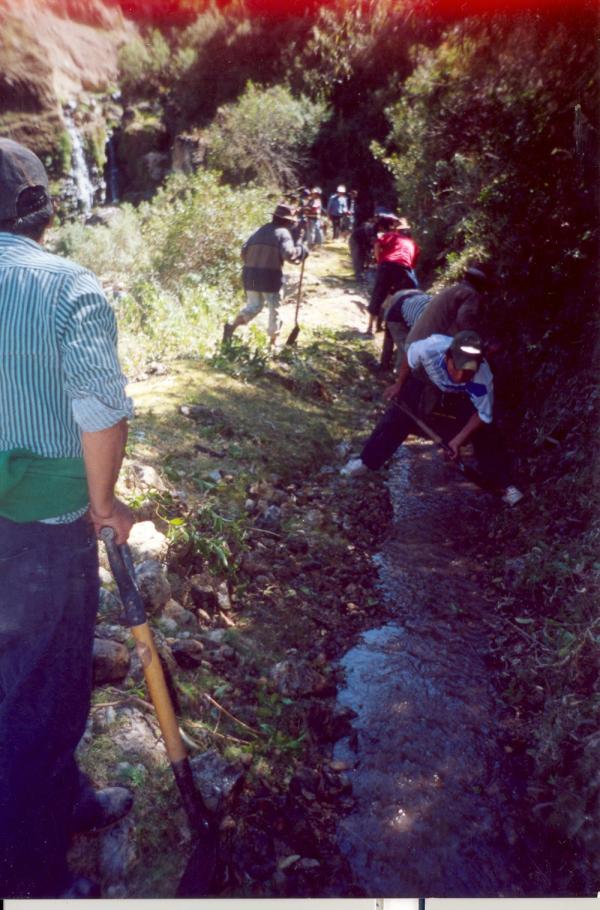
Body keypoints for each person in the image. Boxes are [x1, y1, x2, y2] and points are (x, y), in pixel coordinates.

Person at [0, 139, 135, 897]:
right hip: (42, 536)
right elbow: (101, 410)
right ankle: (31, 878)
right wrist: (105, 505)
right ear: (41, 211)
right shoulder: (64, 285)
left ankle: (66, 798)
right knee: (43, 702)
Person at [340, 328, 524, 506]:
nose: (461, 376)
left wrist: (457, 441)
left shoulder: (482, 378)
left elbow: (482, 415)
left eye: (468, 372)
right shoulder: (431, 348)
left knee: (487, 432)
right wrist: (398, 384)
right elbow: (409, 358)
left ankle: (504, 485)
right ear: (447, 357)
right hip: (426, 384)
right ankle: (366, 461)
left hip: (458, 401)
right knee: (397, 414)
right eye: (457, 368)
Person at [222, 203, 308, 348]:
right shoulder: (283, 233)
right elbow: (289, 255)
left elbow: (243, 252)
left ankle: (231, 327)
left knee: (254, 306)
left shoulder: (260, 230)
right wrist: (301, 249)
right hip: (270, 278)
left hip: (250, 276)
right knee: (275, 309)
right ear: (287, 221)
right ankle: (272, 344)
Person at [366, 214, 420, 335]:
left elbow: (377, 244)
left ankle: (371, 327)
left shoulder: (392, 235)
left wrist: (379, 260)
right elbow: (411, 266)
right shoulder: (414, 244)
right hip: (402, 268)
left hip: (387, 265)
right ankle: (398, 324)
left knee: (378, 294)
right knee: (409, 293)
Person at [380, 287, 431, 370]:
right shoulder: (426, 323)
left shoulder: (437, 308)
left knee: (403, 343)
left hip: (411, 297)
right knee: (405, 349)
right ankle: (397, 371)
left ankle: (387, 362)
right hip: (396, 317)